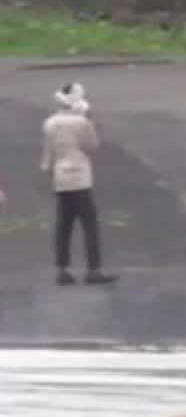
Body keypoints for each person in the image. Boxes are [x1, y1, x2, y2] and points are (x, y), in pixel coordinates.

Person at [42, 83, 116, 286]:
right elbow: (92, 146)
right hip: (80, 179)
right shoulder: (81, 123)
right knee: (89, 225)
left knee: (63, 225)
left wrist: (51, 174)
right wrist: (89, 120)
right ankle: (93, 269)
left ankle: (62, 270)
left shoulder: (49, 123)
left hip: (61, 179)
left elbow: (48, 156)